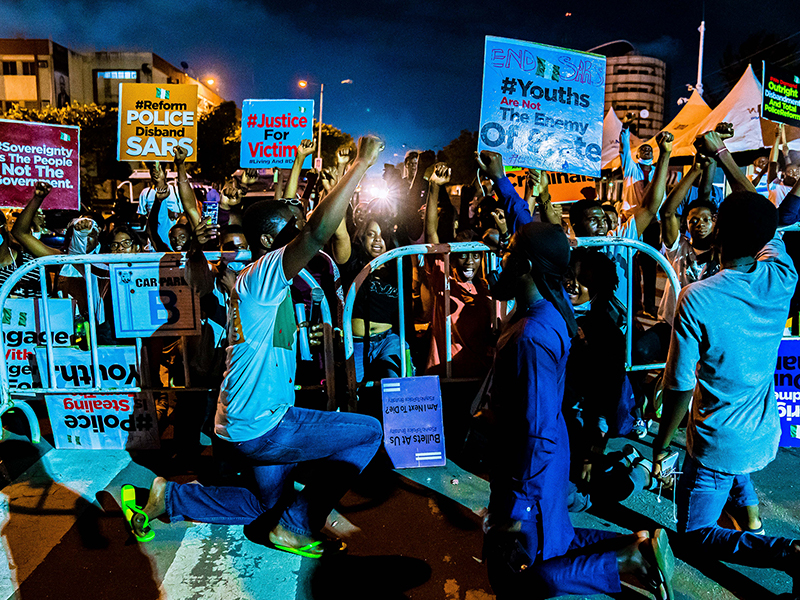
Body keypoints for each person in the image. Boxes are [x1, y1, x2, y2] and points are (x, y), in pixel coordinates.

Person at [125, 136, 386, 557]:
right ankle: (297, 525)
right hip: (262, 422)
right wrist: (359, 166)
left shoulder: (256, 280)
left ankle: (168, 498)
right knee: (368, 433)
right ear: (269, 243)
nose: (301, 233)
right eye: (290, 230)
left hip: (243, 418)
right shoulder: (263, 275)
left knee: (264, 503)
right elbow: (320, 230)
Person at [483, 221, 674, 600]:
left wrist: (519, 501)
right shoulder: (550, 309)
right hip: (547, 458)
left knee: (515, 578)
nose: (499, 261)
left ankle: (624, 561)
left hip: (530, 466)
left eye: (507, 255)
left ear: (524, 266)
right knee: (553, 541)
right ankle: (635, 547)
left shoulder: (530, 335)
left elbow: (535, 426)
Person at [652, 129, 800, 594]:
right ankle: (751, 519)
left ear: (716, 231)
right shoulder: (782, 275)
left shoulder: (699, 298)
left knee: (695, 537)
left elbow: (677, 387)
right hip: (760, 433)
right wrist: (721, 156)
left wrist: (660, 444)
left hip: (716, 441)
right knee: (733, 471)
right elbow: (760, 216)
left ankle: (786, 553)